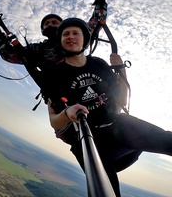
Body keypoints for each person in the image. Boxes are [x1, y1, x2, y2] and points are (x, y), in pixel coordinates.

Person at [42, 17, 172, 197]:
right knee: (106, 190)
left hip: (117, 125)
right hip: (87, 137)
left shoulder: (99, 64)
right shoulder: (54, 75)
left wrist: (121, 70)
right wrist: (67, 113)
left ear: (84, 39)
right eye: (66, 34)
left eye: (75, 33)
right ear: (60, 40)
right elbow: (54, 121)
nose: (70, 37)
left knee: (167, 140)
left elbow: (122, 101)